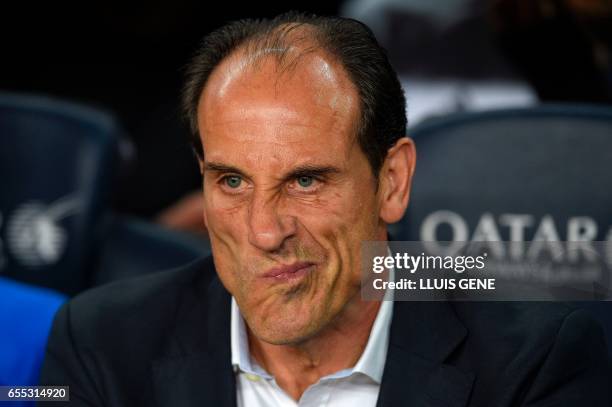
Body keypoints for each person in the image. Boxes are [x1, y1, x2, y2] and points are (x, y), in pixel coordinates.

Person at [40, 12, 611, 406]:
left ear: (391, 181)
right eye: (232, 180)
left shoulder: (538, 360)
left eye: (306, 180)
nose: (264, 231)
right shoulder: (101, 342)